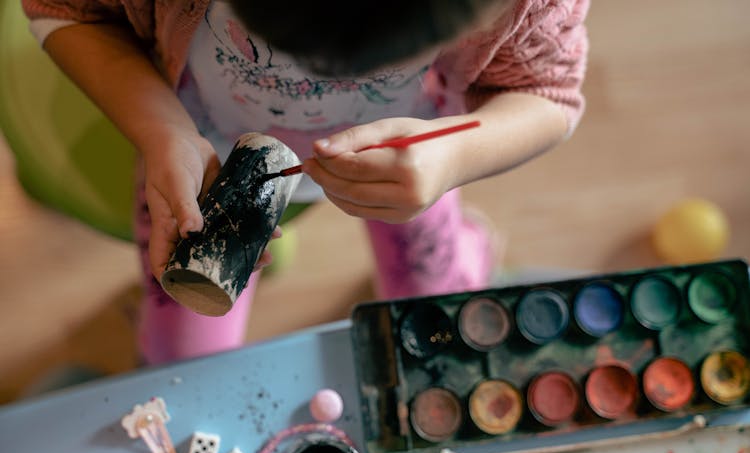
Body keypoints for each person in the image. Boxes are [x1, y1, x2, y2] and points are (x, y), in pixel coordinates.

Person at [22, 0, 589, 364]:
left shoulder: (529, 7)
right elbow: (67, 9)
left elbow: (550, 96)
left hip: (405, 153)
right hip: (197, 146)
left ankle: (462, 242)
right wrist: (161, 130)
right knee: (182, 354)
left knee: (432, 311)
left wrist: (453, 156)